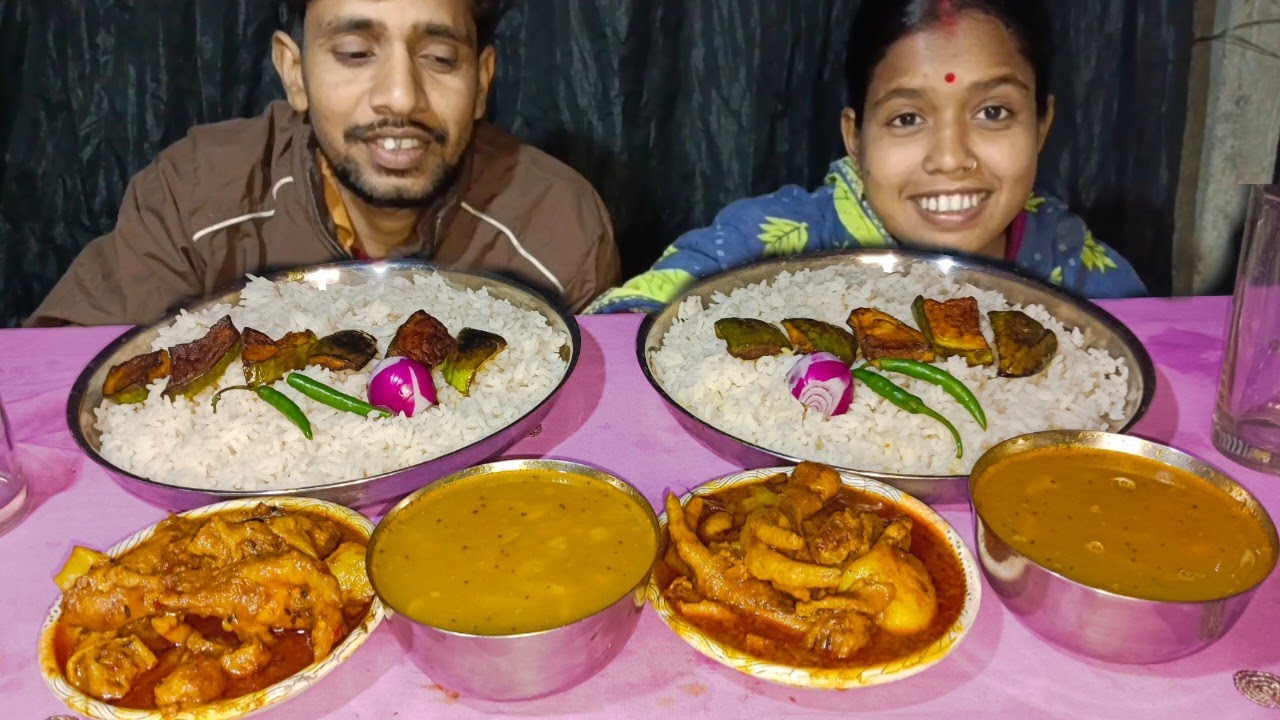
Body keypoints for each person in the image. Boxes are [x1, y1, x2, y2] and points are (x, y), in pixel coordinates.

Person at [27, 0, 620, 326]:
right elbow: (56, 387)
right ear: (295, 72)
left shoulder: (558, 226)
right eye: (356, 53)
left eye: (440, 58)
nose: (400, 97)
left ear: (483, 81)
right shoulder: (193, 197)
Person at [587, 0, 1145, 314]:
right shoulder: (768, 243)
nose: (951, 158)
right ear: (855, 137)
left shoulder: (1070, 262)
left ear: (1042, 124)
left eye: (993, 112)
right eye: (907, 119)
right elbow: (619, 330)